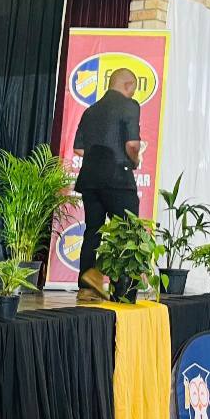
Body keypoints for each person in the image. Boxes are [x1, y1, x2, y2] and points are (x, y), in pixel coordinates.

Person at [73, 68, 143, 301]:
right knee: (127, 232)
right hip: (118, 178)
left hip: (90, 179)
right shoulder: (129, 106)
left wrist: (99, 159)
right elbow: (132, 144)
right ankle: (122, 291)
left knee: (93, 230)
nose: (133, 94)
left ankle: (87, 287)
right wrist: (135, 160)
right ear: (128, 85)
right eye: (133, 89)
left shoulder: (90, 111)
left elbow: (78, 149)